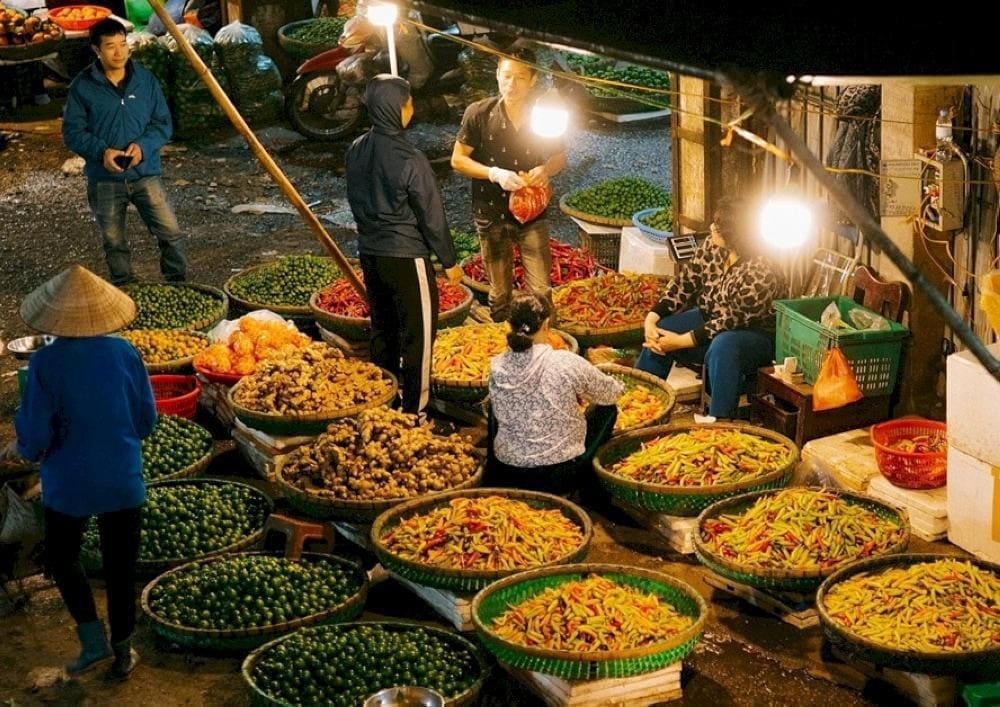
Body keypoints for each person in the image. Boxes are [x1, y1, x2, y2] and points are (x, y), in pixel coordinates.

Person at [0, 265, 156, 681]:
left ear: (54, 320)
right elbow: (146, 421)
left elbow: (33, 436)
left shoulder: (46, 363)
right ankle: (124, 651)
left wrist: (19, 451)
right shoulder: (125, 352)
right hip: (123, 479)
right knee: (121, 567)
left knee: (63, 559)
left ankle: (92, 641)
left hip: (69, 486)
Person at [345, 75, 463, 415]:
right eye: (408, 102)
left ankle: (383, 401)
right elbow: (432, 216)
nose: (411, 108)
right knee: (419, 334)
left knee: (384, 330)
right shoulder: (411, 158)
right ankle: (416, 410)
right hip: (407, 256)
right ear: (397, 108)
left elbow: (355, 198)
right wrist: (449, 260)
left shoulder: (355, 149)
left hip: (370, 252)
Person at [62, 17, 187, 286]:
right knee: (113, 240)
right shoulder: (82, 87)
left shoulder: (145, 80)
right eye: (110, 46)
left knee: (170, 232)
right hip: (104, 179)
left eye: (123, 44)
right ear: (96, 50)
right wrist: (102, 152)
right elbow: (72, 132)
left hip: (145, 173)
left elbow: (162, 123)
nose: (119, 52)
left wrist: (143, 147)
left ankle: (178, 284)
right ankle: (125, 287)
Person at [635, 198, 785, 419]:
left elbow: (728, 321)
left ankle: (719, 421)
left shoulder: (761, 271)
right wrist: (652, 318)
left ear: (737, 235)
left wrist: (679, 341)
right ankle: (640, 407)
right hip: (709, 320)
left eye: (720, 226)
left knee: (723, 345)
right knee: (661, 329)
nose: (713, 228)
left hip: (754, 336)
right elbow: (684, 284)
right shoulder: (712, 247)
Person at [451, 48, 567, 322]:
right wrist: (494, 173)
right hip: (491, 213)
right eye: (506, 76)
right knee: (499, 291)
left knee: (541, 289)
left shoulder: (545, 115)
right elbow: (458, 160)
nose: (511, 84)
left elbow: (559, 157)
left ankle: (541, 343)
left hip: (533, 214)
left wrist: (545, 170)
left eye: (519, 78)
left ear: (533, 80)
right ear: (497, 75)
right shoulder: (478, 113)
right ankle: (503, 341)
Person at [488, 293, 624, 494]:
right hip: (558, 475)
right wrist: (618, 384)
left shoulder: (497, 364)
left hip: (508, 470)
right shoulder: (564, 361)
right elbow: (610, 394)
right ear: (546, 325)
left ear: (510, 325)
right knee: (608, 408)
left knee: (493, 406)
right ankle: (589, 485)